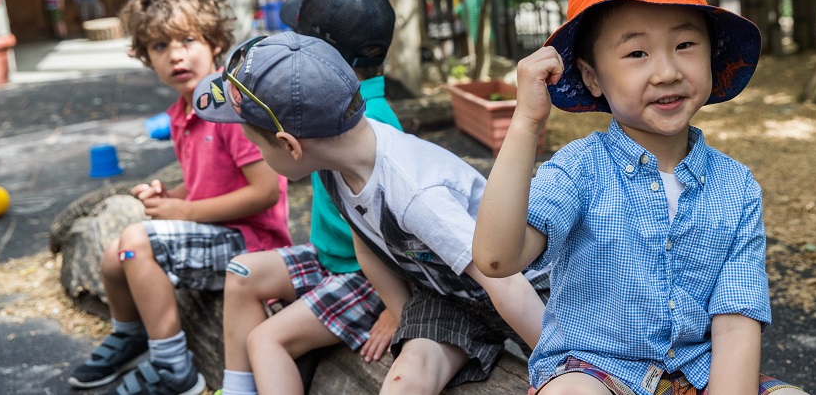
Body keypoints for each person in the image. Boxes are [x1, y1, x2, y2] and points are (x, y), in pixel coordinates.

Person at [471, 0, 809, 395]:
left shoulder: (735, 187)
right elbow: (497, 258)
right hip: (596, 370)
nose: (666, 71)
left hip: (698, 373)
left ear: (711, 56)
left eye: (685, 45)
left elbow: (734, 324)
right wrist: (525, 122)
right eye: (637, 53)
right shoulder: (579, 170)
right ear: (592, 78)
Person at [193, 31, 550, 395]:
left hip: (531, 291)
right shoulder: (337, 166)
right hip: (450, 296)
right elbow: (366, 243)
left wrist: (556, 363)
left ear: (289, 145)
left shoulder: (414, 192)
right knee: (401, 382)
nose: (259, 152)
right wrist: (403, 314)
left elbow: (506, 283)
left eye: (256, 144)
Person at [67, 0, 292, 395]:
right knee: (117, 254)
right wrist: (172, 196)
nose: (176, 55)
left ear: (215, 43)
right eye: (160, 45)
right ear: (143, 55)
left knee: (136, 241)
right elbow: (208, 183)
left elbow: (263, 192)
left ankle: (174, 368)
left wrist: (182, 211)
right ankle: (131, 331)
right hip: (210, 233)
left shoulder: (231, 109)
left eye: (188, 40)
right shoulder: (181, 113)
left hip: (253, 246)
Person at [217, 0, 404, 395]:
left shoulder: (367, 126)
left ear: (324, 52)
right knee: (242, 271)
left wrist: (400, 309)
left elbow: (408, 230)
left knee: (266, 339)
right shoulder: (324, 104)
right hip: (331, 256)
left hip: (370, 277)